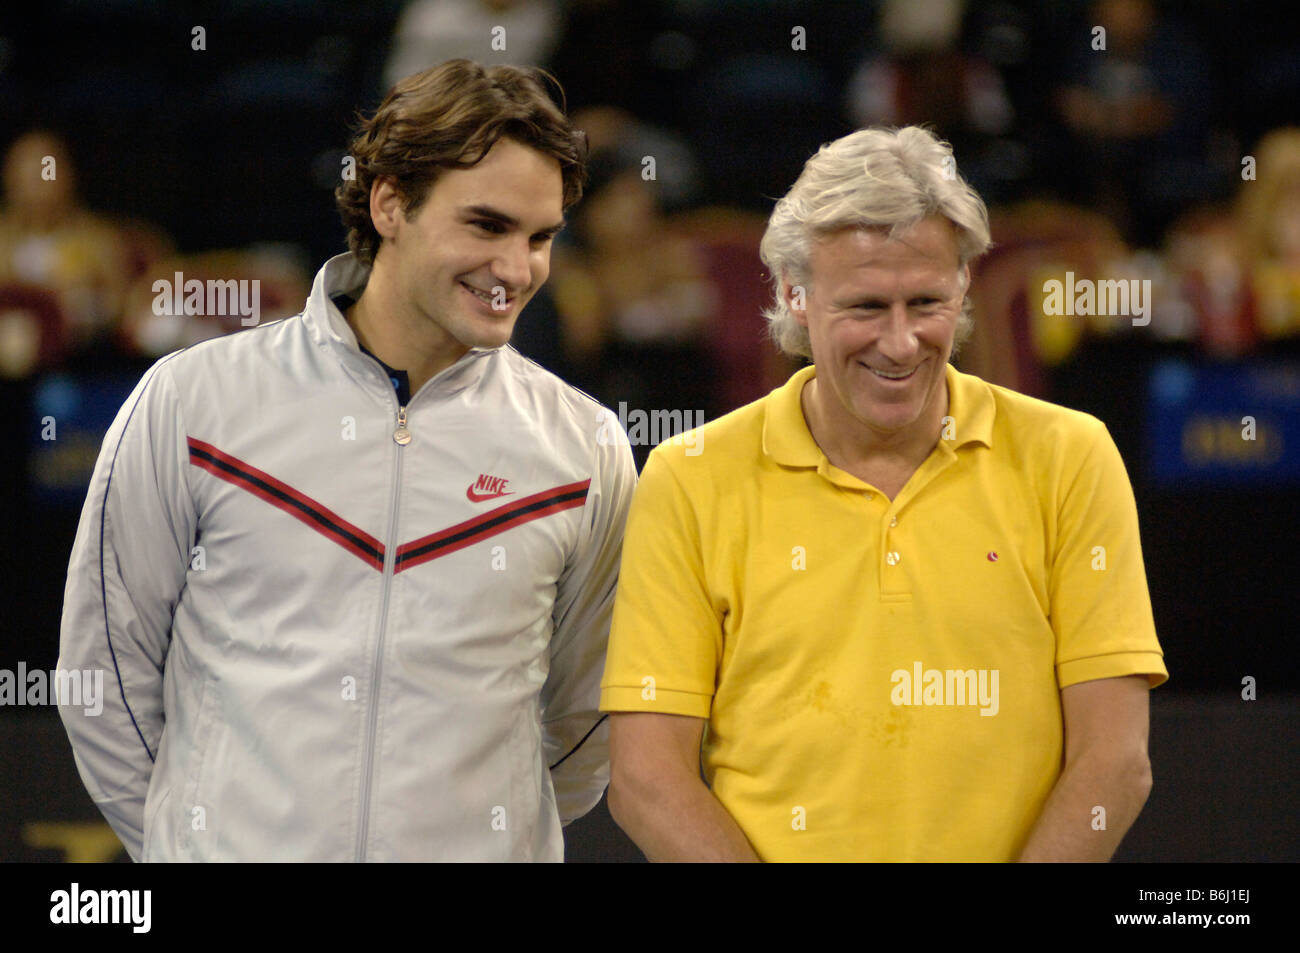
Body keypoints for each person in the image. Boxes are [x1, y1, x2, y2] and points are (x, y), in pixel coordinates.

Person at [56, 59, 636, 862]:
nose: (516, 270)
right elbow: (104, 678)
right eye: (487, 225)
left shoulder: (585, 445)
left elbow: (588, 717)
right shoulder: (194, 400)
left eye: (540, 238)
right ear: (389, 201)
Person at [600, 125, 1167, 862]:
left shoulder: (1072, 456)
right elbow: (645, 777)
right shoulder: (690, 475)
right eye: (866, 306)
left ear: (964, 286)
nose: (900, 343)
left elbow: (1115, 761)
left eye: (926, 301)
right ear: (795, 298)